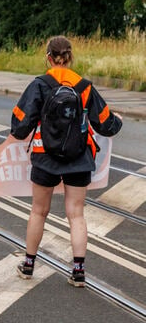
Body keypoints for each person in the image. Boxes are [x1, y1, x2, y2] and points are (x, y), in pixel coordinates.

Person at [10, 36, 122, 287]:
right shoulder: (85, 86)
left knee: (39, 211)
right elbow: (106, 124)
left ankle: (28, 266)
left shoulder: (39, 84)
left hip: (45, 157)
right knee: (76, 214)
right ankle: (79, 271)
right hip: (79, 158)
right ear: (70, 58)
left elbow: (19, 126)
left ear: (48, 57)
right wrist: (119, 120)